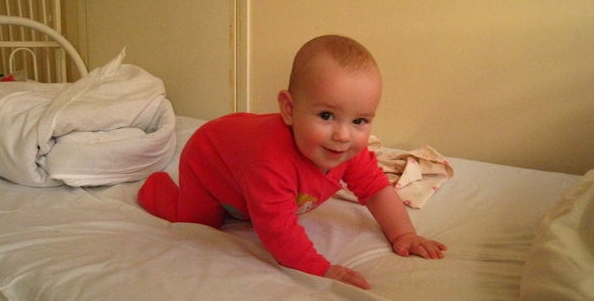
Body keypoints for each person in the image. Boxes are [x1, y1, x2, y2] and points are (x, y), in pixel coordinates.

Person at [138, 35, 446, 290]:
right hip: (209, 161)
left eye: (359, 121)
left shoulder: (348, 152)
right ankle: (154, 188)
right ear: (289, 109)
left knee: (255, 205)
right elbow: (278, 230)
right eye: (326, 115)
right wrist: (320, 269)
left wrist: (404, 234)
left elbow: (377, 190)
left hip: (242, 164)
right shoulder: (271, 164)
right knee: (199, 222)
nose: (343, 135)